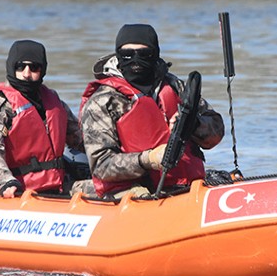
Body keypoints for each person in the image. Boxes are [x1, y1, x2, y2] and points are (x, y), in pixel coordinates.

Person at [75, 24, 224, 198]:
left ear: (155, 53)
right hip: (130, 191)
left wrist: (194, 125)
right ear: (118, 55)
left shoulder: (176, 87)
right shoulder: (102, 101)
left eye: (144, 54)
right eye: (127, 55)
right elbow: (101, 166)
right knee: (140, 193)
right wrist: (149, 159)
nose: (135, 61)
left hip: (183, 186)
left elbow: (216, 131)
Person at [0, 39, 84, 198]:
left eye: (34, 68)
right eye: (20, 67)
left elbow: (81, 139)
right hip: (10, 188)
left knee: (106, 189)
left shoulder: (53, 103)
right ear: (11, 67)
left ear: (43, 70)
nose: (26, 74)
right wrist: (5, 181)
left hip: (52, 186)